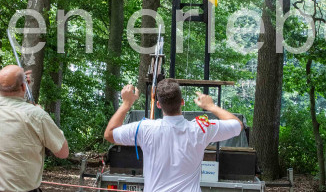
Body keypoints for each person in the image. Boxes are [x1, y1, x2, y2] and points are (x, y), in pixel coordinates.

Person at [104, 80, 243, 192]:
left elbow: (109, 134)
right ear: (182, 102)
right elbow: (237, 125)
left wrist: (126, 104)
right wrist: (211, 106)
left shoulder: (144, 128)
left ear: (158, 104)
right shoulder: (201, 128)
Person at [0, 65, 69, 192]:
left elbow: (9, 96)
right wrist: (41, 114)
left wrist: (17, 82)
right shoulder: (37, 116)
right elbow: (63, 152)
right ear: (24, 87)